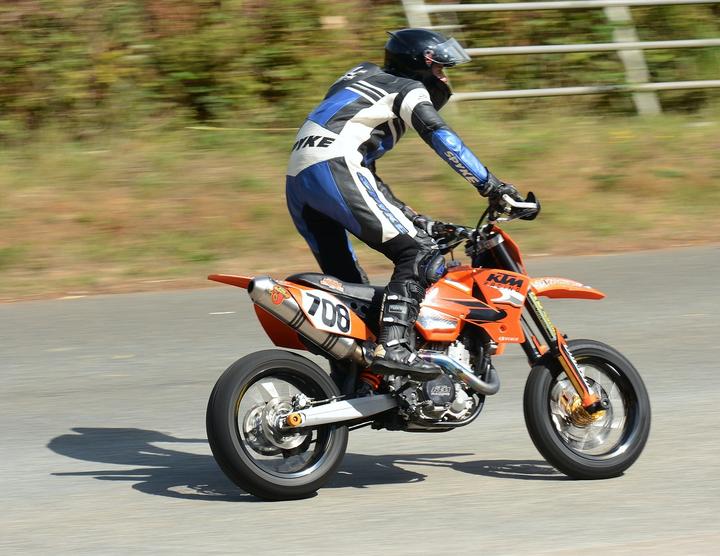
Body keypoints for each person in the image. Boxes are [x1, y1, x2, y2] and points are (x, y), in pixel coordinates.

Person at [285, 28, 522, 381]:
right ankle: (394, 345)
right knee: (418, 254)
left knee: (349, 289)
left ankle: (349, 378)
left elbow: (366, 175)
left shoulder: (358, 74)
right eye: (441, 69)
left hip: (298, 178)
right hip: (334, 167)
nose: (444, 78)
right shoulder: (408, 89)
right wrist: (491, 186)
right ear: (421, 66)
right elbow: (443, 138)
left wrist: (414, 218)